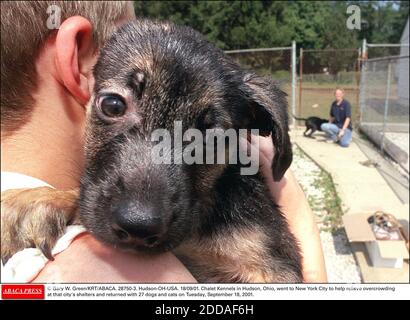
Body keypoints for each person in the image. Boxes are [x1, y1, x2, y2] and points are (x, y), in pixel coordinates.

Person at [1, 1, 327, 283]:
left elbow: (277, 273)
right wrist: (298, 212)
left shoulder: (243, 224)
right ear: (83, 65)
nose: (140, 213)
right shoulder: (68, 270)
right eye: (114, 106)